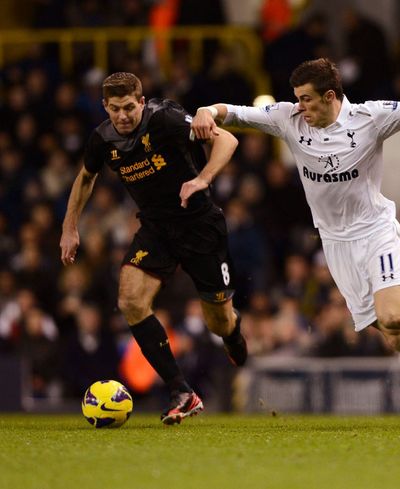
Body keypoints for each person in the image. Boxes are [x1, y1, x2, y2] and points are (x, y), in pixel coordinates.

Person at [191, 58, 400, 425]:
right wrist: (205, 110)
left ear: (329, 96)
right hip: (335, 245)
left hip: (376, 232)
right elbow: (236, 115)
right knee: (398, 337)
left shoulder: (370, 118)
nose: (299, 107)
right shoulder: (288, 119)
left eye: (306, 99)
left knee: (394, 316)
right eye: (297, 99)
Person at [59, 72, 247, 425]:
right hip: (156, 229)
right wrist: (69, 228)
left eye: (129, 107)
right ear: (105, 107)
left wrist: (202, 179)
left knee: (218, 321)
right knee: (129, 301)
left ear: (141, 102)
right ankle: (181, 391)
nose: (123, 116)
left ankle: (233, 332)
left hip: (199, 225)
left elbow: (229, 142)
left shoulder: (167, 119)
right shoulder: (102, 139)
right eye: (115, 109)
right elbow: (86, 177)